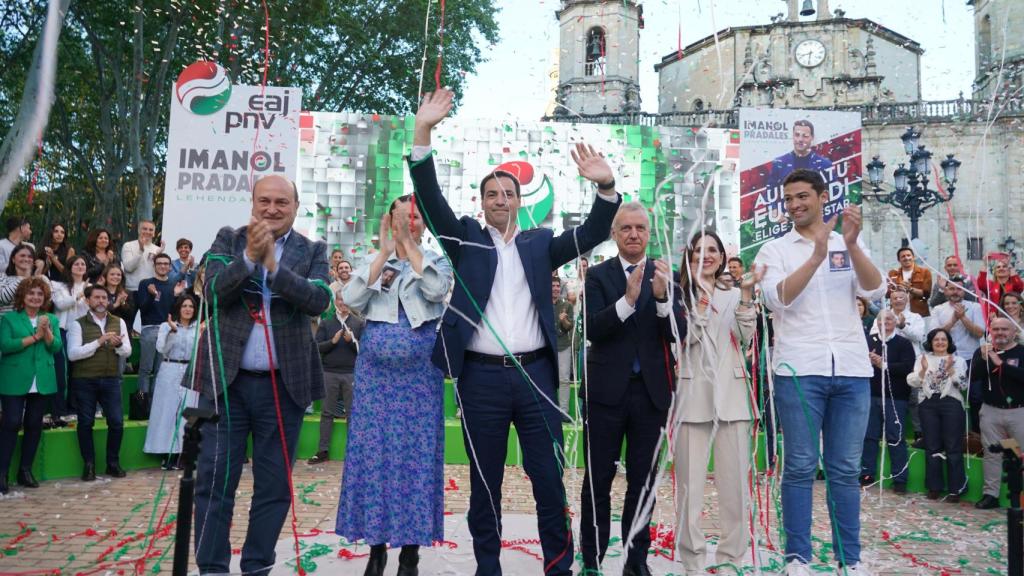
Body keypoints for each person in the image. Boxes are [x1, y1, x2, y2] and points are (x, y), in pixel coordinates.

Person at [411, 88, 619, 576]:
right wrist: (422, 133)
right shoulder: (463, 239)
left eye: (508, 193)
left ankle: (559, 567)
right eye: (491, 194)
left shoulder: (540, 244)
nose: (500, 199)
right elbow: (429, 198)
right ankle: (489, 568)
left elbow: (591, 233)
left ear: (520, 201)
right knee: (484, 485)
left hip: (535, 379)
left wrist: (606, 187)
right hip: (479, 381)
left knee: (547, 479)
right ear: (481, 203)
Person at [191, 174, 331, 575]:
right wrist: (250, 259)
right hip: (226, 385)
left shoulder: (313, 249)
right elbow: (213, 292)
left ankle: (257, 566)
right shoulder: (228, 240)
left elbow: (318, 300)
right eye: (265, 201)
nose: (272, 209)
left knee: (273, 488)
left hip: (283, 388)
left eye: (281, 203)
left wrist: (274, 269)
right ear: (252, 203)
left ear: (295, 207)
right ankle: (212, 568)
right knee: (214, 482)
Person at [753, 168, 884, 575]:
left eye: (802, 196)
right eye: (788, 198)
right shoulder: (774, 251)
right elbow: (779, 300)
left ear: (823, 196)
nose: (794, 205)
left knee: (845, 468)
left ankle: (851, 558)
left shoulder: (851, 243)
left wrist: (850, 245)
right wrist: (817, 255)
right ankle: (798, 557)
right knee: (801, 464)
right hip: (799, 368)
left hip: (850, 366)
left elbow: (875, 290)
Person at [336, 195, 452, 576]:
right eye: (400, 219)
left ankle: (410, 554)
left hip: (419, 380)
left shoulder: (436, 260)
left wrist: (411, 248)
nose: (407, 225)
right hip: (375, 380)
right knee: (374, 459)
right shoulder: (378, 261)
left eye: (414, 219)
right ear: (388, 221)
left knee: (415, 462)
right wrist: (383, 254)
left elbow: (435, 291)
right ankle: (376, 547)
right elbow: (350, 299)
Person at [580, 203, 679, 575]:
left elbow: (677, 335)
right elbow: (593, 329)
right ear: (614, 234)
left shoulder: (665, 274)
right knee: (598, 481)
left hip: (651, 396)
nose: (633, 234)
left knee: (643, 483)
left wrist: (663, 300)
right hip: (606, 395)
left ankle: (635, 561)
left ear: (649, 233)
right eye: (626, 228)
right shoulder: (599, 277)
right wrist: (628, 301)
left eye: (640, 227)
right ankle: (592, 560)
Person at [675, 230, 757, 574]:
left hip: (734, 400)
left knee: (736, 490)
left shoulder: (737, 294)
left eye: (713, 250)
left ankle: (729, 562)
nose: (706, 256)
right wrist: (702, 302)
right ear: (689, 256)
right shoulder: (676, 296)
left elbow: (746, 336)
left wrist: (747, 297)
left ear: (723, 257)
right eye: (699, 250)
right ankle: (692, 563)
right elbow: (685, 339)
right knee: (689, 494)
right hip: (692, 401)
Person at [0, 277, 61, 494]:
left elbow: (56, 348)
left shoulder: (51, 318)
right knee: (11, 422)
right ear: (23, 297)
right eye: (31, 294)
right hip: (14, 378)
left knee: (34, 424)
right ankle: (2, 473)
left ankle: (25, 470)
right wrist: (35, 336)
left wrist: (47, 333)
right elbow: (6, 346)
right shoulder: (9, 319)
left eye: (39, 294)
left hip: (42, 378)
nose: (35, 297)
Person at [66, 285, 132, 481]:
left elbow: (127, 351)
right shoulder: (78, 324)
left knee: (117, 422)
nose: (101, 301)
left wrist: (118, 344)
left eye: (104, 297)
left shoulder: (118, 322)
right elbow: (72, 354)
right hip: (84, 380)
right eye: (97, 297)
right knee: (86, 422)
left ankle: (112, 463)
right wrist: (99, 342)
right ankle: (89, 465)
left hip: (111, 379)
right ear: (88, 300)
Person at [907, 328, 968, 501]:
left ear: (949, 342)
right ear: (931, 342)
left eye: (943, 339)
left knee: (952, 446)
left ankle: (956, 489)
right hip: (928, 404)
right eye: (936, 340)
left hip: (952, 403)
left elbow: (963, 385)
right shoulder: (922, 359)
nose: (940, 342)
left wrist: (951, 371)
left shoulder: (958, 360)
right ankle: (934, 487)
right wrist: (922, 370)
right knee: (932, 446)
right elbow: (912, 381)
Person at [860, 310, 916, 492]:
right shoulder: (868, 341)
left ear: (896, 321)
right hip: (871, 394)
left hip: (895, 398)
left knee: (896, 437)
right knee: (869, 436)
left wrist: (882, 364)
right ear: (877, 322)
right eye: (882, 319)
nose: (886, 322)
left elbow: (908, 368)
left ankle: (900, 479)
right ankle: (867, 473)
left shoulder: (904, 343)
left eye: (890, 319)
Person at [143, 294, 200, 469]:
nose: (188, 309)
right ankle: (167, 452)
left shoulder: (198, 328)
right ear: (178, 308)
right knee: (167, 411)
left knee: (188, 413)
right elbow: (161, 349)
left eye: (191, 306)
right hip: (169, 369)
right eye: (184, 306)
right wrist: (173, 332)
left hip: (190, 370)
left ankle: (185, 453)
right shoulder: (165, 327)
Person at [972, 316, 1024, 510]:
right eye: (996, 329)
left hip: (1019, 411)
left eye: (1005, 329)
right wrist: (984, 360)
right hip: (991, 411)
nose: (1000, 333)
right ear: (990, 332)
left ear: (1013, 332)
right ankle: (990, 495)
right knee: (991, 454)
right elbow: (973, 376)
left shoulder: (1021, 351)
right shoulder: (984, 351)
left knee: (1022, 454)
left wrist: (1002, 365)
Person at [307, 289, 363, 464]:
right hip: (329, 372)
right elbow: (316, 347)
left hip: (351, 373)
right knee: (327, 413)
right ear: (336, 302)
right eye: (340, 300)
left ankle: (354, 452)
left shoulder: (359, 323)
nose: (342, 304)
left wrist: (351, 342)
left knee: (353, 414)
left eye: (346, 301)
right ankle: (323, 451)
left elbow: (364, 351)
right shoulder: (327, 323)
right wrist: (332, 342)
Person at [930, 276, 985, 431]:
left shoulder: (975, 307)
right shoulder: (938, 309)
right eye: (952, 288)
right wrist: (954, 320)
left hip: (971, 359)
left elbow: (980, 333)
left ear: (965, 290)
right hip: (946, 360)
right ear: (946, 290)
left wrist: (964, 318)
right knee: (945, 396)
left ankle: (976, 434)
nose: (955, 292)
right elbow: (935, 336)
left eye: (959, 289)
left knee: (975, 397)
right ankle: (950, 433)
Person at [135, 253, 185, 404]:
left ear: (170, 267)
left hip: (167, 331)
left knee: (160, 370)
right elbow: (142, 309)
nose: (163, 266)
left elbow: (175, 312)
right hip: (149, 329)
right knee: (145, 369)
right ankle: (142, 404)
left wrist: (176, 296)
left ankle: (154, 405)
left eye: (166, 264)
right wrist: (151, 295)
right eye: (159, 263)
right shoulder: (146, 283)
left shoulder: (173, 286)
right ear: (154, 266)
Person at [50, 255, 91, 425]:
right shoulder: (58, 285)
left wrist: (88, 296)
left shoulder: (91, 286)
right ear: (69, 267)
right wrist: (80, 295)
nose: (80, 266)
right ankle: (59, 410)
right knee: (62, 372)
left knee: (78, 372)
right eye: (76, 264)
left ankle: (75, 408)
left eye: (83, 264)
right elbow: (60, 304)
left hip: (82, 332)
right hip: (62, 330)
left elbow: (92, 308)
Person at [121, 220, 165, 327]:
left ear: (154, 233)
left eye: (151, 230)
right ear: (139, 230)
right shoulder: (128, 246)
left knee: (150, 324)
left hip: (150, 291)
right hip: (132, 291)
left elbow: (160, 273)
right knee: (127, 325)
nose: (147, 232)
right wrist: (140, 250)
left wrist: (159, 256)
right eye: (144, 228)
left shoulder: (157, 249)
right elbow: (128, 267)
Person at [768, 120, 833, 190]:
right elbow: (770, 196)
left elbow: (834, 194)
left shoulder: (825, 164)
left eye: (805, 136)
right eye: (797, 135)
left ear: (812, 137)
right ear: (792, 136)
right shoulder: (779, 164)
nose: (800, 139)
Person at [1, 244, 46, 316]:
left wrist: (36, 276)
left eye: (30, 257)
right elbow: (3, 298)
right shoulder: (3, 277)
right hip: (6, 324)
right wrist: (25, 277)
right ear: (13, 259)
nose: (26, 259)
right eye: (22, 256)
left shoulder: (41, 278)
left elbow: (47, 301)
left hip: (30, 324)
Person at [886, 246, 932, 317]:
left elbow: (926, 294)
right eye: (903, 256)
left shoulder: (925, 272)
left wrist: (910, 289)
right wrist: (894, 288)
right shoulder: (892, 273)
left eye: (908, 255)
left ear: (913, 257)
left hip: (919, 313)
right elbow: (888, 295)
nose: (906, 258)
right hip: (897, 313)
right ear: (899, 260)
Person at [552, 275, 574, 418]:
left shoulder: (567, 305)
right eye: (553, 286)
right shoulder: (541, 304)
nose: (555, 289)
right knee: (546, 378)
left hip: (563, 346)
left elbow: (569, 326)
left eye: (558, 286)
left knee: (564, 379)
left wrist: (564, 320)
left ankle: (564, 411)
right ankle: (548, 410)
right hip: (546, 346)